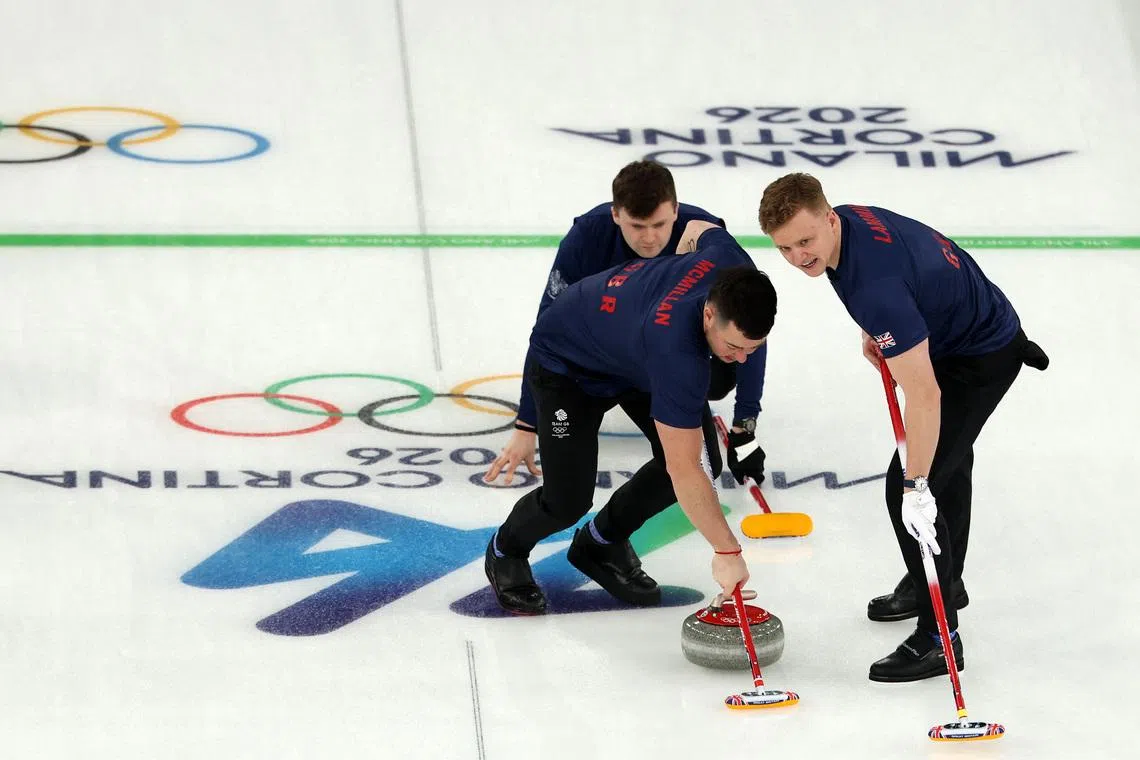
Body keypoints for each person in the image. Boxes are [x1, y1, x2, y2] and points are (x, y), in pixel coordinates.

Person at [758, 173, 1048, 682]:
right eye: (784, 248)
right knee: (949, 466)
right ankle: (941, 583)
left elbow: (926, 395)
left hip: (978, 358)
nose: (799, 257)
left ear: (828, 218)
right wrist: (886, 334)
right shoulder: (845, 227)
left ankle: (941, 639)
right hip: (953, 331)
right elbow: (900, 277)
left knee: (912, 488)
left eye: (805, 242)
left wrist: (916, 485)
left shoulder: (879, 287)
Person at [483, 222, 778, 615]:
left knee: (707, 454)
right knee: (567, 500)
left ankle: (600, 543)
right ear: (709, 314)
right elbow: (685, 468)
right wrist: (726, 550)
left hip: (631, 353)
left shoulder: (731, 262)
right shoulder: (676, 352)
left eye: (752, 348)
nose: (743, 358)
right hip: (567, 365)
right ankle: (506, 550)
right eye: (734, 346)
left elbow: (696, 228)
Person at [484, 160, 768, 494]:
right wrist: (527, 424)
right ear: (616, 214)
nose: (650, 239)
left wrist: (744, 427)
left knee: (722, 372)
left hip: (663, 349)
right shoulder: (587, 238)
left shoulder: (705, 238)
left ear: (676, 211)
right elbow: (547, 328)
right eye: (637, 226)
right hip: (605, 353)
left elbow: (750, 324)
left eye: (660, 224)